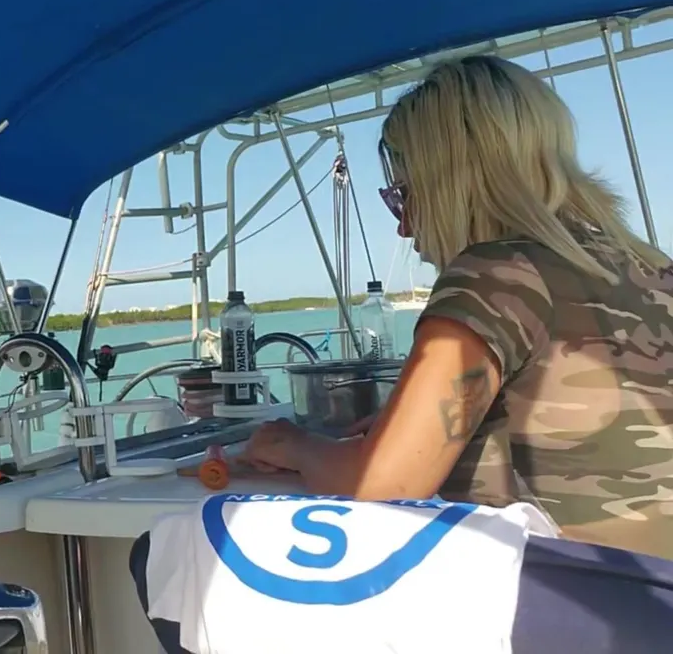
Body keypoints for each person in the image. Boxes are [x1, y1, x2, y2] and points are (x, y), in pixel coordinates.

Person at [240, 55, 673, 560]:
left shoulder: (496, 275)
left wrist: (294, 445)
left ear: (453, 182)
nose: (404, 226)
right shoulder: (654, 269)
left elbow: (381, 486)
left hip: (574, 591)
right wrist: (416, 427)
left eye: (404, 195)